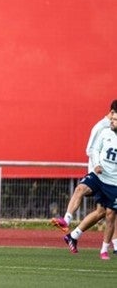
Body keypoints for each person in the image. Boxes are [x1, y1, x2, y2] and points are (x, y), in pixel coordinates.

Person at [52, 100, 117, 252]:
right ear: (112, 113)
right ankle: (67, 220)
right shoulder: (102, 128)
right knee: (105, 208)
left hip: (110, 178)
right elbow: (90, 150)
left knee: (105, 212)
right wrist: (96, 168)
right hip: (99, 175)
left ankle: (74, 235)